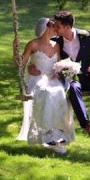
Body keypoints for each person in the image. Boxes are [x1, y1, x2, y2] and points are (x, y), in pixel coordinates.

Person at [28, 10, 90, 140]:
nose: (55, 27)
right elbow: (39, 50)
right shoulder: (56, 41)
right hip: (70, 78)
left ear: (67, 27)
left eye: (58, 26)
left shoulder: (86, 36)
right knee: (73, 88)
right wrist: (31, 66)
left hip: (89, 76)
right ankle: (87, 125)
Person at [16, 17, 76, 154]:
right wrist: (17, 51)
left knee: (60, 93)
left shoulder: (56, 45)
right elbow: (20, 64)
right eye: (53, 25)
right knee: (47, 92)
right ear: (45, 28)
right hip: (36, 79)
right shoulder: (33, 44)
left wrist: (60, 72)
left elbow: (59, 64)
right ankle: (48, 135)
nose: (55, 27)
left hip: (52, 78)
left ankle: (59, 135)